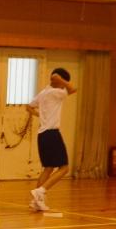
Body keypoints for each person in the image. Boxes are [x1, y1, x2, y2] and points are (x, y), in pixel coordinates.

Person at [26, 68, 77, 211]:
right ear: (60, 80)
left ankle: (36, 202)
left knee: (48, 168)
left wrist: (41, 116)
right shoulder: (56, 92)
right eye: (62, 81)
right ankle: (41, 191)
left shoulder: (43, 93)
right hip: (52, 134)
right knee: (64, 168)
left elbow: (28, 107)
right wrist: (62, 81)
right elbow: (73, 89)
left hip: (42, 135)